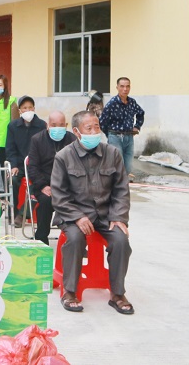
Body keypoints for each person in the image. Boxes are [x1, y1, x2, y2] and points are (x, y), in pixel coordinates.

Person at [51, 110, 133, 315]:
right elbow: (59, 195)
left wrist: (119, 217)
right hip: (73, 216)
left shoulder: (112, 153)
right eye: (89, 128)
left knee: (121, 240)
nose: (94, 132)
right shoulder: (63, 157)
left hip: (105, 215)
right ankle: (70, 292)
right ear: (77, 132)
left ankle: (117, 294)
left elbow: (121, 190)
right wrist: (77, 217)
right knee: (75, 239)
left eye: (97, 127)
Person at [26, 111, 76, 245]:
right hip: (44, 184)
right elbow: (33, 167)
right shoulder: (37, 140)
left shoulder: (72, 139)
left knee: (81, 199)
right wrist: (43, 186)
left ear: (66, 125)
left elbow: (77, 166)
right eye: (54, 125)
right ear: (48, 125)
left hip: (67, 185)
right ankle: (41, 239)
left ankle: (75, 240)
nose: (57, 128)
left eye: (61, 125)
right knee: (46, 201)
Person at [99, 77, 145, 177]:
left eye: (127, 86)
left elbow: (141, 113)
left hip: (129, 137)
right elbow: (102, 121)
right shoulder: (112, 103)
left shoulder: (132, 102)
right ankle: (116, 184)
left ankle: (123, 181)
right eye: (122, 86)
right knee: (118, 164)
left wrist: (137, 126)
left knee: (128, 166)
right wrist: (110, 134)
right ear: (117, 87)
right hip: (115, 137)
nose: (125, 89)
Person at [5, 95, 47, 182]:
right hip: (19, 165)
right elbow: (10, 149)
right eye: (24, 108)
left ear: (34, 109)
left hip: (37, 165)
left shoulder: (42, 125)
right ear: (19, 110)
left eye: (30, 107)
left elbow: (45, 148)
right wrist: (13, 166)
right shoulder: (13, 126)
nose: (28, 110)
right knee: (13, 180)